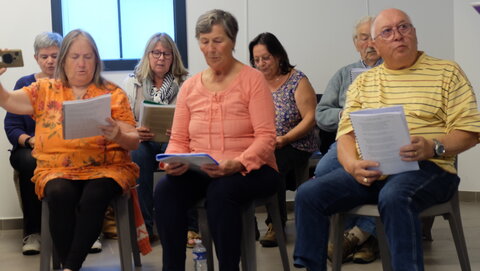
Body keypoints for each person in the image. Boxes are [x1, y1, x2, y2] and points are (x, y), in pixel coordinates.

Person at [293, 8, 480, 271]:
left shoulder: (446, 72)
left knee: (395, 195)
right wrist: (351, 166)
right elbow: (345, 135)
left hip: (429, 168)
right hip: (373, 169)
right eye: (387, 32)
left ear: (414, 34)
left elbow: (470, 132)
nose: (397, 36)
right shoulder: (362, 82)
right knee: (309, 194)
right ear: (376, 45)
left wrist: (433, 146)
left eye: (404, 27)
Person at [0, 29, 140, 271]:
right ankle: (70, 266)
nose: (82, 64)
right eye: (75, 57)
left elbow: (134, 141)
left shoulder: (113, 92)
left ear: (96, 59)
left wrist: (117, 134)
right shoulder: (43, 89)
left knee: (95, 195)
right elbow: (8, 101)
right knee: (58, 193)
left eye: (88, 56)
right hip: (57, 167)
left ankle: (70, 267)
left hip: (106, 167)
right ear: (64, 59)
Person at [153, 9, 279, 270]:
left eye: (218, 40)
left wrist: (238, 163)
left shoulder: (253, 80)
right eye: (204, 41)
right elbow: (178, 139)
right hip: (204, 168)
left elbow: (266, 138)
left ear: (232, 41)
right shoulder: (190, 86)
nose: (210, 48)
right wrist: (173, 160)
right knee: (165, 189)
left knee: (221, 193)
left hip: (251, 169)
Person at [314, 16, 383, 264]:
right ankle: (359, 236)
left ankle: (362, 237)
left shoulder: (394, 70)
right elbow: (321, 114)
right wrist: (345, 114)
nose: (371, 43)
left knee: (380, 172)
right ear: (356, 43)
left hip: (381, 140)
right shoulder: (344, 75)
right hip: (350, 140)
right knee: (324, 170)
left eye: (375, 37)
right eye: (365, 38)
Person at [123, 32, 198, 245]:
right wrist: (135, 130)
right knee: (137, 155)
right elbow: (123, 118)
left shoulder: (186, 83)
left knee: (181, 153)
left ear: (174, 58)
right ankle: (145, 229)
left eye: (166, 53)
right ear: (148, 55)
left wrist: (180, 130)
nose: (161, 58)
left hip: (174, 139)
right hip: (143, 140)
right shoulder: (132, 82)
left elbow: (197, 118)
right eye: (156, 53)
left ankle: (190, 226)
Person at [249, 32, 317, 247]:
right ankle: (246, 221)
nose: (261, 64)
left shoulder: (297, 80)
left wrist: (285, 138)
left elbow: (310, 118)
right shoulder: (252, 83)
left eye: (266, 58)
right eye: (256, 60)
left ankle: (275, 224)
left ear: (278, 56)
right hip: (262, 142)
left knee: (273, 162)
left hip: (296, 143)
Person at [3, 32, 62, 255]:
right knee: (30, 162)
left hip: (63, 149)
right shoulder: (25, 83)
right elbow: (11, 127)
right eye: (44, 56)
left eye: (55, 56)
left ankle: (84, 230)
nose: (50, 61)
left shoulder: (71, 82)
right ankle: (33, 232)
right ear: (36, 58)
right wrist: (30, 140)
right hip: (30, 149)